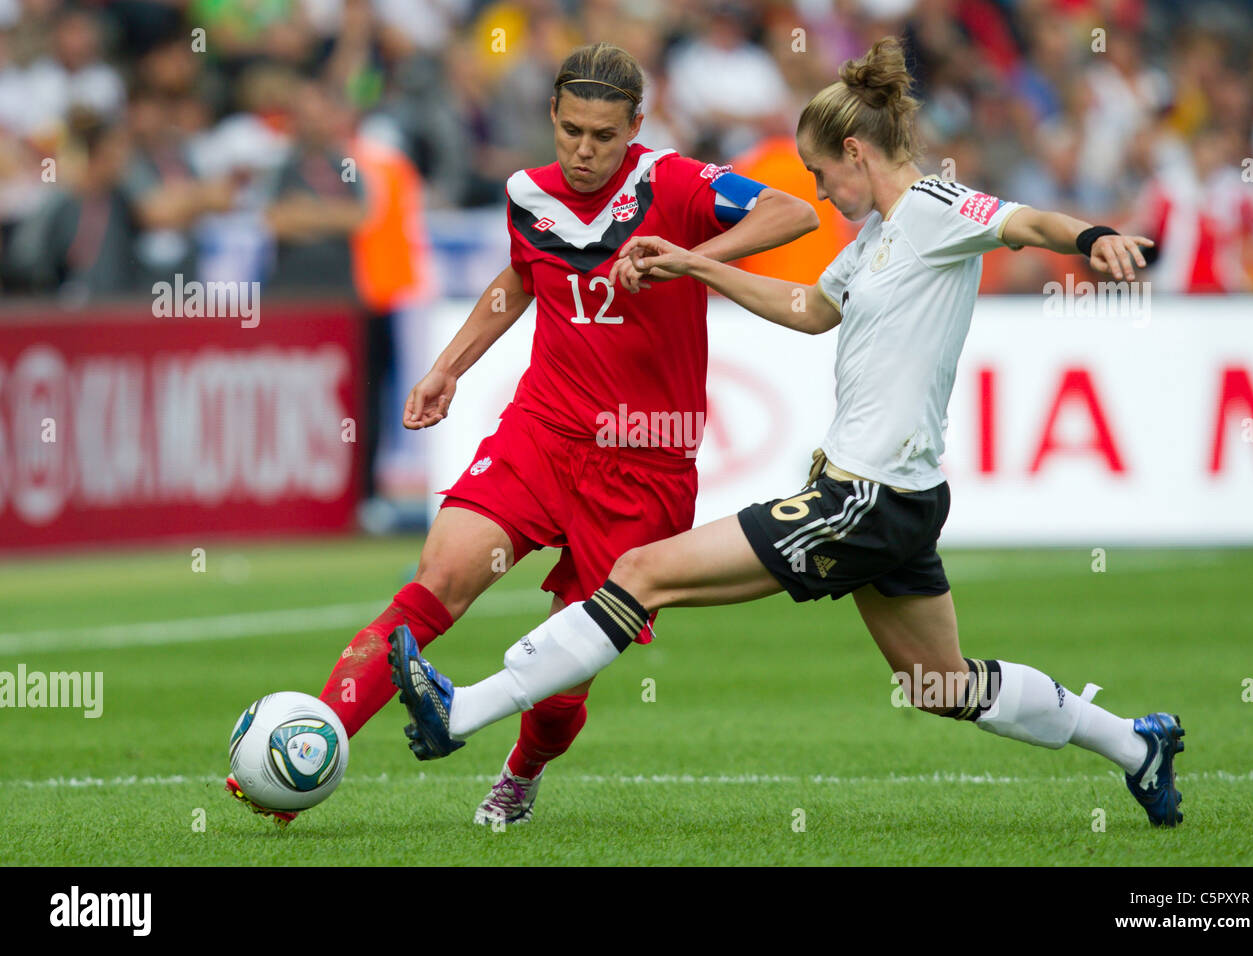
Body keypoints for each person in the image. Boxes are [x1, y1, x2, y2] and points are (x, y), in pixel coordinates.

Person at [389, 37, 1186, 829]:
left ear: (853, 152)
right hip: (894, 495)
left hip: (864, 494)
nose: (819, 193)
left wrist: (1090, 239)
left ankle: (462, 712)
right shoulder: (873, 240)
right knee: (938, 683)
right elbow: (809, 312)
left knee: (640, 570)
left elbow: (1024, 220)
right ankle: (1135, 746)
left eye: (819, 175)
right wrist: (695, 264)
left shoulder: (938, 211)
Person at [226, 41, 819, 827]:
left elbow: (796, 211)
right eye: (571, 129)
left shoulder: (674, 182)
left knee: (562, 674)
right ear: (552, 115)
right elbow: (519, 279)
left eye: (603, 136)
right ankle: (315, 745)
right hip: (544, 430)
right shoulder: (527, 195)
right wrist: (449, 367)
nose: (583, 150)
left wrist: (691, 259)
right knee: (438, 579)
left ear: (636, 126)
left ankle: (522, 770)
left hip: (648, 460)